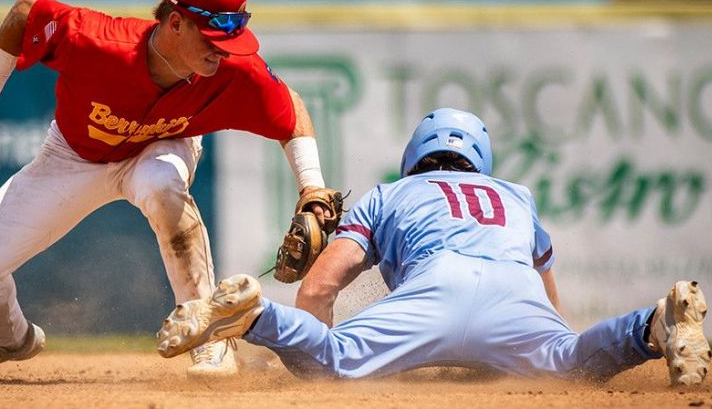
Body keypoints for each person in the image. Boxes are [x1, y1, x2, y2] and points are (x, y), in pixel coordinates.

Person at [0, 0, 335, 381]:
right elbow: (23, 13)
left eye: (230, 39)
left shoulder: (234, 69)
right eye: (213, 39)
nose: (223, 50)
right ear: (175, 22)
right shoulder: (96, 39)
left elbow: (292, 109)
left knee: (162, 185)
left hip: (161, 147)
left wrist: (312, 188)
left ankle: (211, 336)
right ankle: (5, 338)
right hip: (73, 155)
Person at [153, 108, 711, 386]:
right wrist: (537, 352)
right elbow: (552, 313)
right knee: (571, 362)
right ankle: (653, 324)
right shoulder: (516, 196)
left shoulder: (391, 194)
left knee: (334, 362)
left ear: (414, 154)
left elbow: (321, 285)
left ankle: (253, 314)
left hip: (432, 288)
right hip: (516, 297)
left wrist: (311, 362)